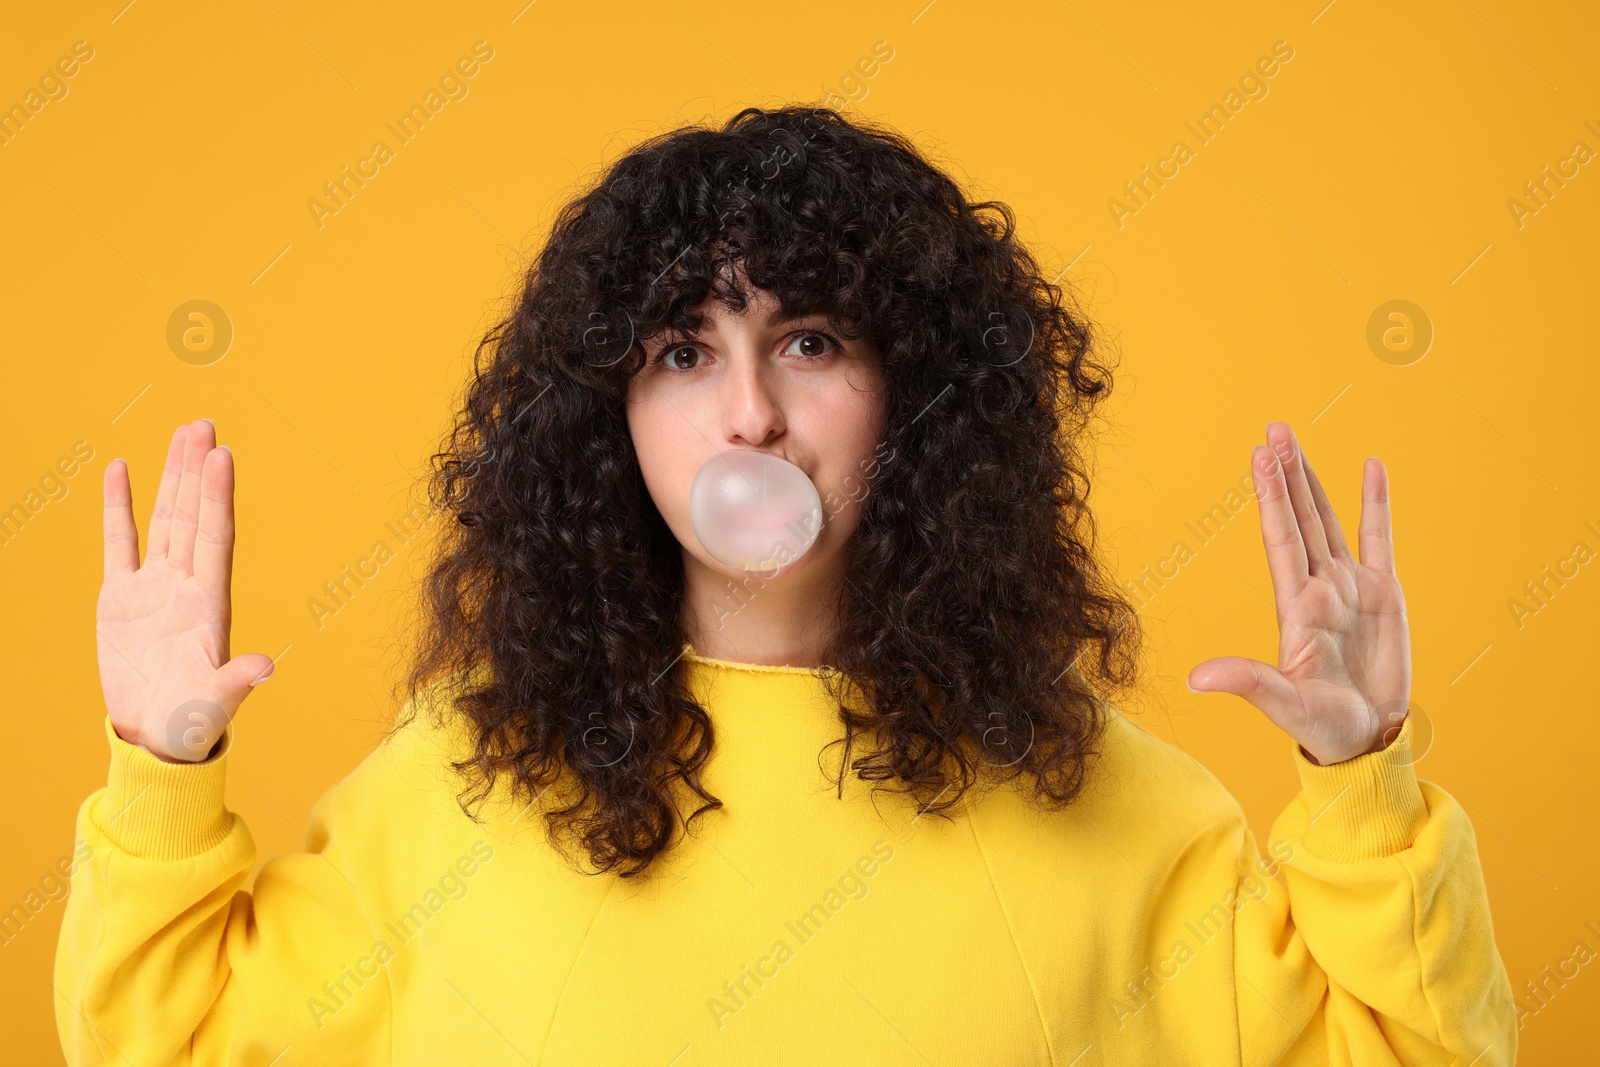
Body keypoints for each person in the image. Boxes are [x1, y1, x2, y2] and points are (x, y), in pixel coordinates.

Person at [55, 105, 1516, 1065]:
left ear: (921, 394)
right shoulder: (458, 789)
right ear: (606, 419)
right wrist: (163, 776)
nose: (748, 414)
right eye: (683, 353)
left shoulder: (1117, 808)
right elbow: (169, 1051)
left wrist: (1363, 779)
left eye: (810, 340)